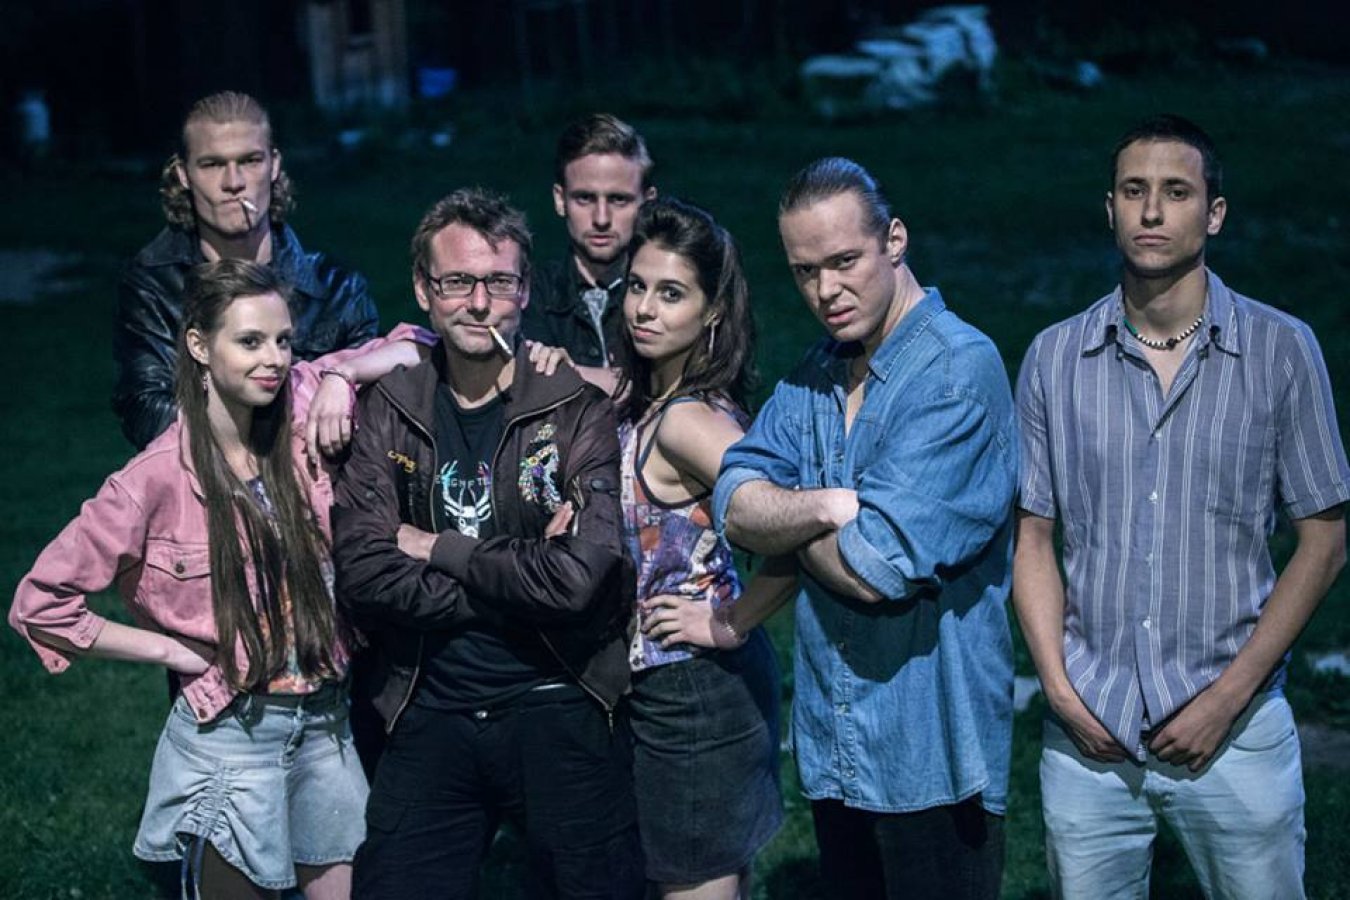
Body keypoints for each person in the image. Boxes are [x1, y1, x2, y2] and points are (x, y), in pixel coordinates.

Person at [10, 259, 432, 898]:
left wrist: (341, 375)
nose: (275, 359)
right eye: (250, 341)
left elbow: (418, 344)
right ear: (200, 346)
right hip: (232, 739)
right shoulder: (153, 479)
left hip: (325, 725)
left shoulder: (303, 399)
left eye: (283, 340)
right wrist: (169, 651)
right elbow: (40, 604)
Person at [1013, 114, 1349, 900]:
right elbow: (1032, 539)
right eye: (1135, 191)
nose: (1153, 211)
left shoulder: (1281, 350)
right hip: (1090, 735)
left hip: (1236, 728)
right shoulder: (1054, 358)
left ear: (1214, 212)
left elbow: (1325, 542)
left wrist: (1226, 700)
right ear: (1110, 208)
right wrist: (1059, 692)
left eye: (1176, 192)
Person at [712, 157, 1017, 900]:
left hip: (932, 760)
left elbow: (874, 569)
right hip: (838, 748)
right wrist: (826, 506)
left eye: (844, 261)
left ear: (895, 240)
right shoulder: (818, 370)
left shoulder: (956, 373)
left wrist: (787, 514)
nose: (826, 291)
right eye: (805, 271)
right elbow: (733, 501)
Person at [330, 187, 644, 899]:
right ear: (423, 289)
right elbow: (365, 573)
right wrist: (522, 581)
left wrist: (438, 548)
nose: (479, 303)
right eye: (458, 282)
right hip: (428, 702)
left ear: (525, 290)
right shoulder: (389, 410)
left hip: (556, 695)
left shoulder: (574, 409)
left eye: (499, 282)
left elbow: (579, 579)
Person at [588, 197, 788, 899]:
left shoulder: (687, 423)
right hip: (675, 688)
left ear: (712, 313)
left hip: (694, 692)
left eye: (671, 294)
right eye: (637, 287)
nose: (644, 309)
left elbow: (796, 528)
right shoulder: (654, 398)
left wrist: (730, 619)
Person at [113, 90, 379, 452]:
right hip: (204, 478)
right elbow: (147, 414)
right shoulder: (154, 285)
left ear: (274, 165)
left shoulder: (338, 288)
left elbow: (375, 404)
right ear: (184, 174)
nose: (233, 182)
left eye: (250, 161)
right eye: (212, 164)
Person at [522, 113, 656, 367]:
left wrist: (571, 375)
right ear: (560, 200)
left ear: (647, 203)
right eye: (585, 198)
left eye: (618, 199)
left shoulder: (671, 297)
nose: (601, 219)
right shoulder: (527, 297)